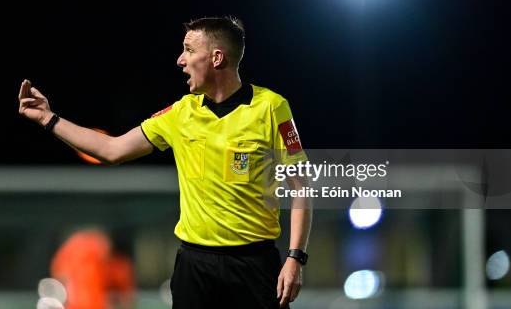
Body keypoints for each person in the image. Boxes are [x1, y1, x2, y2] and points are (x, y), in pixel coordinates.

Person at [18, 17, 312, 308]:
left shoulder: (272, 107)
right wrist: (48, 119)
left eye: (189, 50)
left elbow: (301, 186)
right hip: (195, 268)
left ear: (216, 57)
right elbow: (112, 149)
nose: (180, 60)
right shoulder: (180, 113)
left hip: (255, 266)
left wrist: (295, 258)